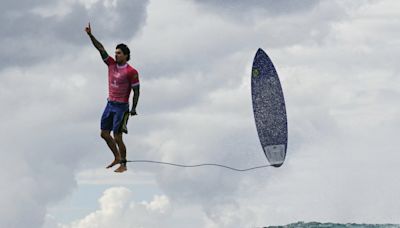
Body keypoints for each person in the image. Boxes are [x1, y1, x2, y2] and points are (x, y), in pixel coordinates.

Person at [85, 22, 140, 173]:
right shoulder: (111, 64)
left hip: (121, 108)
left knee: (117, 137)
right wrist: (90, 35)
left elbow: (136, 91)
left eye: (119, 53)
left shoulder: (131, 71)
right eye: (115, 52)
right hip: (110, 104)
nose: (116, 55)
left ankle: (124, 164)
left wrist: (134, 108)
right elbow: (101, 48)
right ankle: (116, 157)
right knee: (104, 134)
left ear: (126, 55)